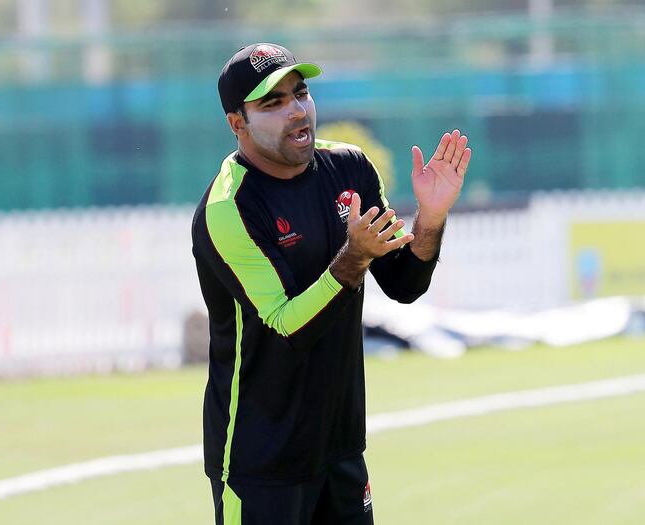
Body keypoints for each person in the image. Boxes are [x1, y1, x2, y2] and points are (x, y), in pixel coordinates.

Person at [191, 42, 471, 525]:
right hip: (262, 460)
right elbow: (287, 327)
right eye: (272, 104)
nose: (296, 112)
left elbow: (405, 283)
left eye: (300, 94)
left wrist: (431, 217)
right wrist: (353, 257)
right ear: (238, 124)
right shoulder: (227, 209)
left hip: (339, 448)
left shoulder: (349, 168)